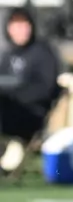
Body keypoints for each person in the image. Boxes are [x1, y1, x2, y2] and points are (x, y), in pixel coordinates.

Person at [0, 8, 61, 146]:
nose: (20, 30)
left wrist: (15, 97)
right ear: (9, 29)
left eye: (24, 25)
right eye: (16, 25)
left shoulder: (43, 52)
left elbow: (45, 88)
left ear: (31, 27)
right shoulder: (8, 54)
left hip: (31, 113)